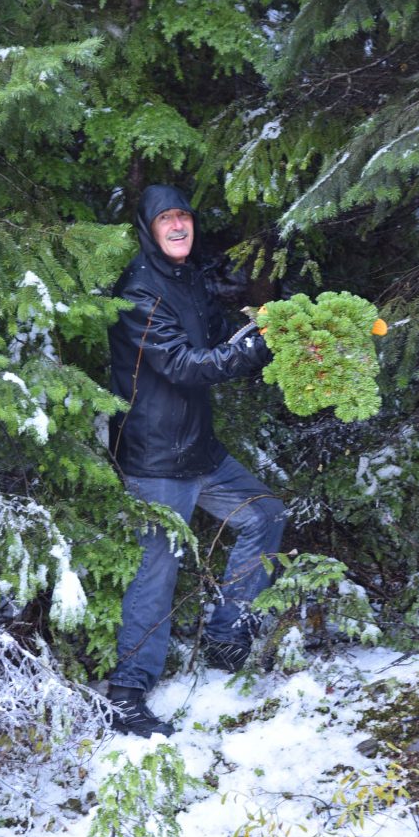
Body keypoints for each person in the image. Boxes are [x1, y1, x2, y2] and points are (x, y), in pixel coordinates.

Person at [107, 184, 287, 737]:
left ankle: (225, 633)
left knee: (263, 514)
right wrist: (252, 349)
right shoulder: (139, 291)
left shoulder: (186, 277)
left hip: (199, 450)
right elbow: (185, 365)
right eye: (166, 219)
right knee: (156, 571)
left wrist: (252, 315)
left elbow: (212, 333)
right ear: (148, 228)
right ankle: (127, 692)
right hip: (156, 457)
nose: (178, 226)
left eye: (183, 216)